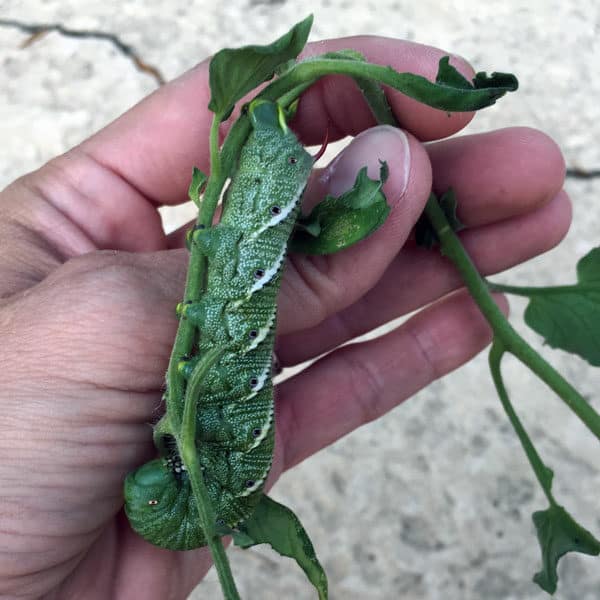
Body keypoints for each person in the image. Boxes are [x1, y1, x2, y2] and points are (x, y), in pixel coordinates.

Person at [0, 35, 569, 599]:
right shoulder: (223, 435)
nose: (161, 464)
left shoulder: (215, 451)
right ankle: (276, 161)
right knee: (243, 281)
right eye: (157, 493)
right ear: (190, 482)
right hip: (252, 251)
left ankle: (276, 155)